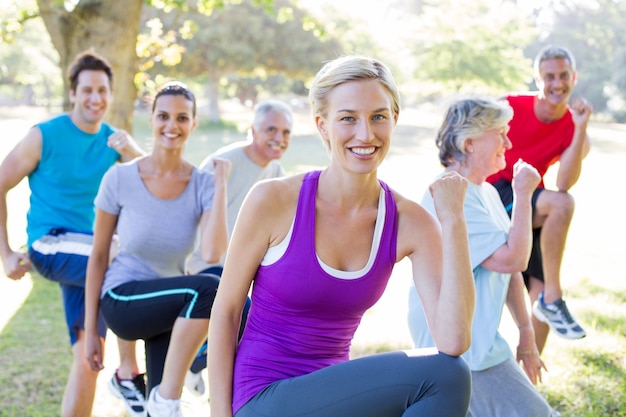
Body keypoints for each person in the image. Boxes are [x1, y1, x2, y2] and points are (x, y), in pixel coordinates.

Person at [208, 55, 475, 417]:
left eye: (378, 116)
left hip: (335, 400)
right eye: (348, 118)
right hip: (262, 397)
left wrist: (454, 221)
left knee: (449, 376)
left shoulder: (411, 222)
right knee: (445, 377)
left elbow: (453, 340)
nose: (365, 134)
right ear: (322, 125)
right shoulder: (272, 201)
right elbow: (226, 312)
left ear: (394, 120)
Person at [0, 50, 144, 417]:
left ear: (111, 94)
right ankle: (129, 373)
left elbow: (155, 181)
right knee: (125, 258)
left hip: (90, 257)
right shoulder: (43, 136)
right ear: (73, 94)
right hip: (51, 244)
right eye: (88, 90)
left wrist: (132, 152)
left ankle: (118, 376)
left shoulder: (114, 141)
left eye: (103, 91)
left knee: (88, 357)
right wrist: (4, 254)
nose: (96, 99)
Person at [407, 96, 562, 417]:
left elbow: (510, 275)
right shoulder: (450, 191)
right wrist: (522, 195)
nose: (508, 142)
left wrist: (526, 333)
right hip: (456, 349)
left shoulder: (486, 191)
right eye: (500, 133)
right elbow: (512, 259)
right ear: (469, 142)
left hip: (480, 343)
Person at [84, 81, 229, 417]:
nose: (171, 125)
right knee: (211, 288)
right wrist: (93, 330)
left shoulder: (203, 184)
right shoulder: (119, 178)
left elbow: (211, 253)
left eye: (182, 118)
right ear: (150, 119)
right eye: (163, 115)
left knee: (161, 409)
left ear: (193, 124)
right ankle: (166, 400)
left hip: (172, 311)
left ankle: (162, 403)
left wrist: (220, 186)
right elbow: (99, 256)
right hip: (124, 300)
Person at [184, 98, 293, 394]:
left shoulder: (275, 171)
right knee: (243, 314)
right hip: (206, 262)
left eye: (285, 133)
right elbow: (191, 214)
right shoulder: (225, 163)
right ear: (253, 130)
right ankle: (196, 361)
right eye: (271, 129)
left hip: (241, 263)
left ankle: (199, 362)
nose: (279, 138)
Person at [487, 44, 591, 351]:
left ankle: (529, 376)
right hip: (495, 194)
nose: (557, 83)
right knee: (561, 204)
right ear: (537, 79)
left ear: (574, 77)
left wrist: (580, 128)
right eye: (549, 76)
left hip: (529, 198)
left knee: (539, 294)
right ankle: (554, 298)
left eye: (563, 76)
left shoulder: (575, 125)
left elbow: (564, 182)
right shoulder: (509, 106)